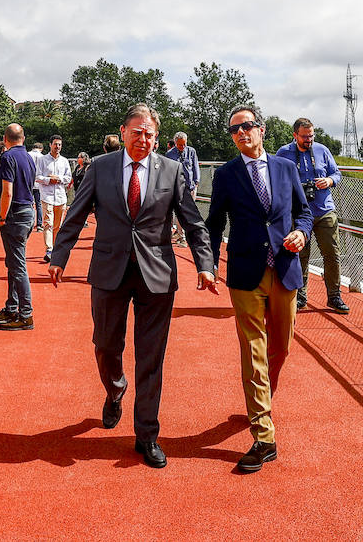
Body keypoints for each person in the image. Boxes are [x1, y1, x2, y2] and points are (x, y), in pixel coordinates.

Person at [49, 104, 216, 469]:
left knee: (151, 356)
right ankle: (115, 389)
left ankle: (147, 434)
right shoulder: (100, 167)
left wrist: (205, 265)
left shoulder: (171, 171)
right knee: (106, 345)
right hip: (109, 270)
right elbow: (76, 212)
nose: (143, 139)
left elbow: (193, 221)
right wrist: (59, 255)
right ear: (123, 131)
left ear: (157, 138)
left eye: (150, 134)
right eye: (137, 131)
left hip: (156, 274)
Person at [205, 104, 314, 473]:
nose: (241, 133)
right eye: (234, 130)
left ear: (262, 130)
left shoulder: (286, 168)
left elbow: (304, 211)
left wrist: (301, 231)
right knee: (253, 350)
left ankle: (261, 399)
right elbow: (215, 222)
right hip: (245, 272)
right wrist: (207, 264)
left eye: (247, 126)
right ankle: (264, 434)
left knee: (280, 348)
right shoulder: (226, 174)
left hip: (284, 270)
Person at [275, 117, 347, 313]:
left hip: (324, 209)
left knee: (332, 255)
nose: (309, 140)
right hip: (298, 213)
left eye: (311, 136)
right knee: (300, 256)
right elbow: (275, 178)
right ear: (295, 135)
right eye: (305, 137)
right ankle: (300, 297)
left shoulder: (322, 150)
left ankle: (334, 297)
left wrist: (329, 181)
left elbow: (337, 173)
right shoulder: (284, 152)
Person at [0, 123, 37, 331]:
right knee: (14, 263)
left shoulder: (7, 157)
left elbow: (7, 191)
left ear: (5, 138)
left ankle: (25, 314)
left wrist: (1, 216)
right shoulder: (29, 157)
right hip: (27, 212)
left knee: (17, 266)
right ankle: (12, 307)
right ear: (23, 138)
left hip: (15, 215)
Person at [35, 136, 72, 264]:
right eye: (55, 144)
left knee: (58, 226)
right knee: (48, 224)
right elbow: (37, 177)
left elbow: (68, 178)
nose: (58, 147)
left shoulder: (64, 161)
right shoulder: (42, 160)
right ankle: (49, 249)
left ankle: (56, 248)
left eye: (60, 145)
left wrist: (58, 178)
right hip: (47, 197)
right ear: (50, 145)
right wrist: (48, 180)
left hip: (61, 197)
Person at [165, 132, 200, 242]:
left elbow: (195, 167)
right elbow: (168, 172)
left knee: (191, 212)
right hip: (177, 187)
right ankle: (182, 235)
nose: (182, 147)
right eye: (180, 145)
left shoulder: (191, 151)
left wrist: (196, 182)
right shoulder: (169, 154)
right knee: (180, 211)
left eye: (184, 144)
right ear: (175, 143)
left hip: (191, 186)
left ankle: (187, 234)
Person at [28, 142, 45, 231]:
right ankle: (39, 224)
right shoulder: (43, 157)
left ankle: (29, 222)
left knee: (29, 203)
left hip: (28, 183)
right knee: (39, 204)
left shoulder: (27, 154)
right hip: (39, 183)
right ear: (41, 148)